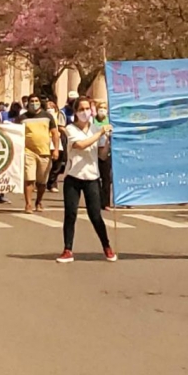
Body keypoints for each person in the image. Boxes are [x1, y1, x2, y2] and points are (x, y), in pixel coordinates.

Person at [56, 96, 116, 263]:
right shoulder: (70, 129)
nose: (85, 112)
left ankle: (107, 246)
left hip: (92, 176)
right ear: (75, 112)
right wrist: (99, 134)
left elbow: (102, 155)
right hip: (73, 176)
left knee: (95, 215)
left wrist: (109, 141)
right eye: (81, 109)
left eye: (87, 109)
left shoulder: (96, 128)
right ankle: (67, 249)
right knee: (71, 213)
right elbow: (80, 146)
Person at [15, 94, 60, 213]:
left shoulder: (48, 116)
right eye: (31, 101)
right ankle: (28, 204)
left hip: (44, 152)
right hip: (28, 151)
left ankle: (38, 201)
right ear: (27, 103)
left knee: (42, 182)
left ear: (40, 103)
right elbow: (15, 132)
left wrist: (56, 149)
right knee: (29, 179)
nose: (34, 103)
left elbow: (55, 133)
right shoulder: (22, 118)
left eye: (36, 101)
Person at [92, 101, 113, 210]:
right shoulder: (92, 120)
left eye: (104, 108)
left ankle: (106, 202)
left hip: (106, 150)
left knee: (106, 178)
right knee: (95, 178)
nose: (102, 111)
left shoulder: (110, 120)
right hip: (94, 150)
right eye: (100, 108)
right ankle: (96, 201)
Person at [46, 99, 67, 193]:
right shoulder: (44, 117)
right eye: (47, 108)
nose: (49, 109)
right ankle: (41, 182)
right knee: (46, 163)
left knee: (57, 164)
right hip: (46, 140)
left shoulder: (58, 115)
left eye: (51, 107)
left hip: (56, 141)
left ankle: (52, 183)